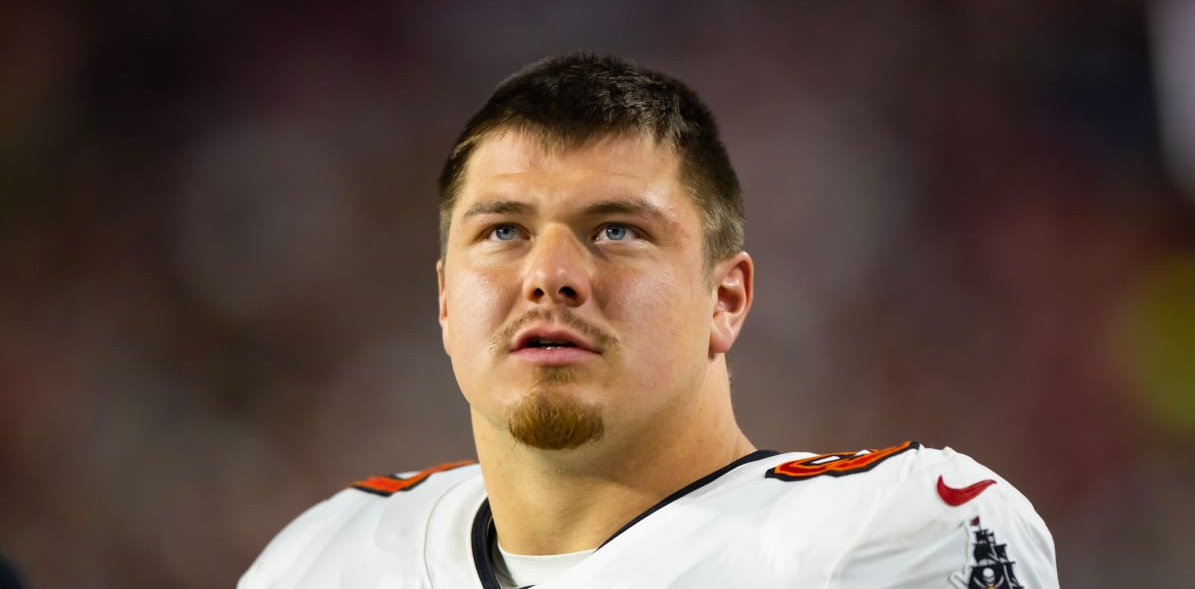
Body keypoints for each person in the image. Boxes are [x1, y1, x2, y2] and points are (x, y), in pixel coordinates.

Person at [238, 53, 1058, 588]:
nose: (551, 276)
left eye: (616, 231)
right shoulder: (326, 557)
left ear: (725, 299)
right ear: (447, 298)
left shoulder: (885, 536)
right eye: (504, 232)